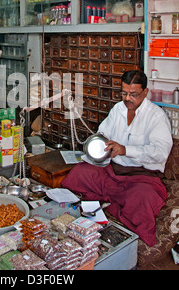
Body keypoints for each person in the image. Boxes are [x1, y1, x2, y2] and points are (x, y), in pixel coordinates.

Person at [62, 70, 173, 247]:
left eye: (133, 94)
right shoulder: (118, 109)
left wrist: (125, 150)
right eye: (124, 93)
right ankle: (99, 206)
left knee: (141, 198)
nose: (128, 98)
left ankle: (109, 208)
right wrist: (101, 142)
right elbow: (104, 131)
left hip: (141, 177)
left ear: (145, 92)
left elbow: (160, 152)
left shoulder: (156, 116)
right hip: (112, 171)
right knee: (80, 173)